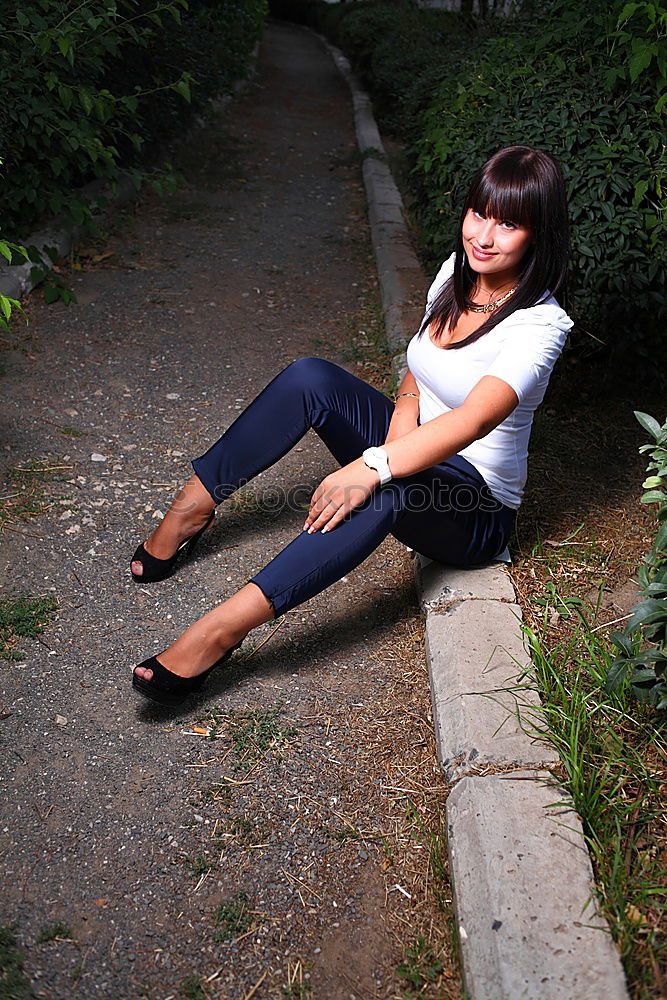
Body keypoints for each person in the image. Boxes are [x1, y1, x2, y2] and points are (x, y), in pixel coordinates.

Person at [130, 144, 572, 707]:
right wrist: (394, 438)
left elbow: (473, 418)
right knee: (309, 377)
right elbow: (418, 372)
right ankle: (191, 507)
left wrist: (375, 467)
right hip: (414, 450)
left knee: (392, 488)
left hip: (476, 507)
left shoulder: (540, 324)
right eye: (478, 213)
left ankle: (219, 632)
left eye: (508, 224)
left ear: (538, 234)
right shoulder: (455, 275)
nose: (483, 236)